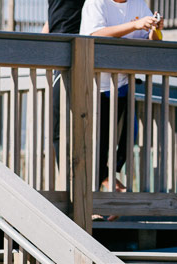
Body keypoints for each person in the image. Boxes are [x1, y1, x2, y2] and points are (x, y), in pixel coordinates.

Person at [80, 0, 163, 193]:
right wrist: (134, 25)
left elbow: (153, 41)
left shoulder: (139, 5)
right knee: (99, 142)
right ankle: (101, 187)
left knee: (129, 135)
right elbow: (94, 34)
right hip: (96, 86)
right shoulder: (96, 2)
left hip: (124, 83)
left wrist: (156, 29)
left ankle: (108, 179)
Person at [41, 0, 86, 164]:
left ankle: (74, 179)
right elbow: (56, 13)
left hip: (75, 49)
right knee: (58, 125)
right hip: (58, 51)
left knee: (63, 124)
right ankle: (70, 177)